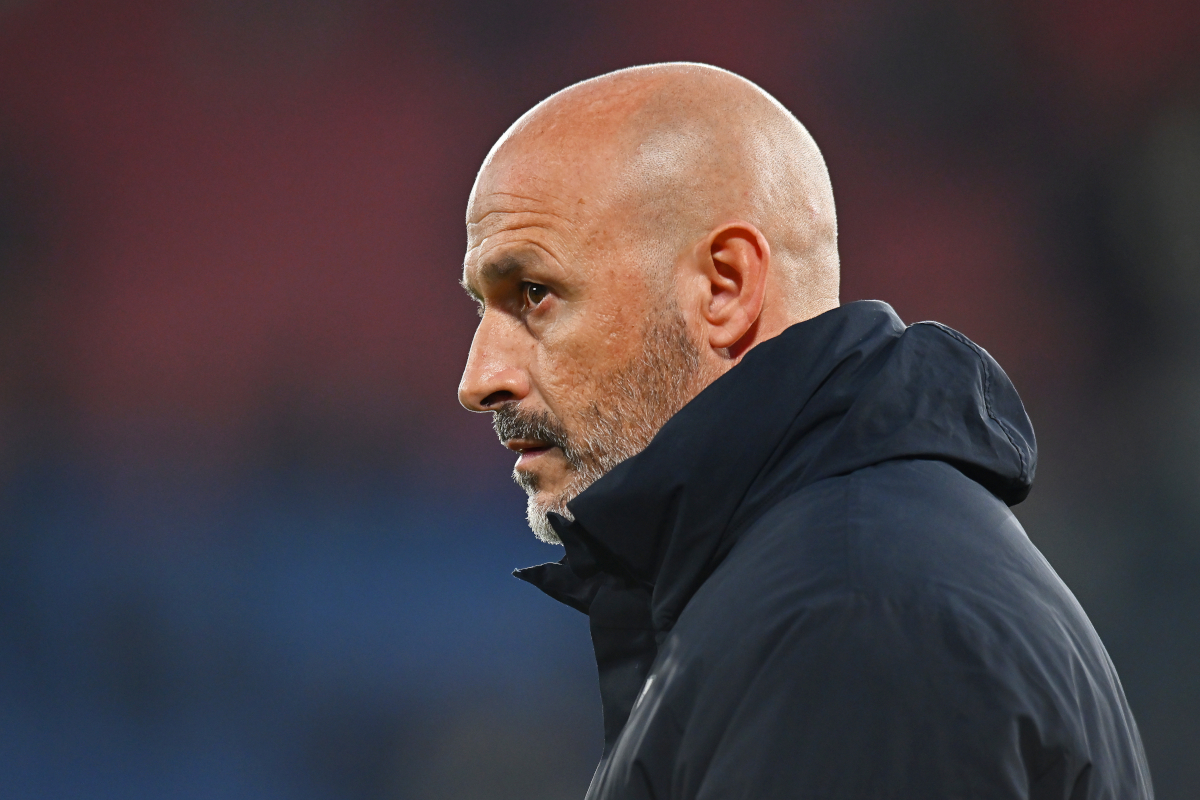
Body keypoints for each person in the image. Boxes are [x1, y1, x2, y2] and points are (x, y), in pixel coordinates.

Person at [457, 62, 1153, 799]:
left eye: (533, 294)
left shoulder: (850, 621)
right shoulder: (818, 583)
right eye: (482, 307)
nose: (479, 380)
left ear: (725, 287)